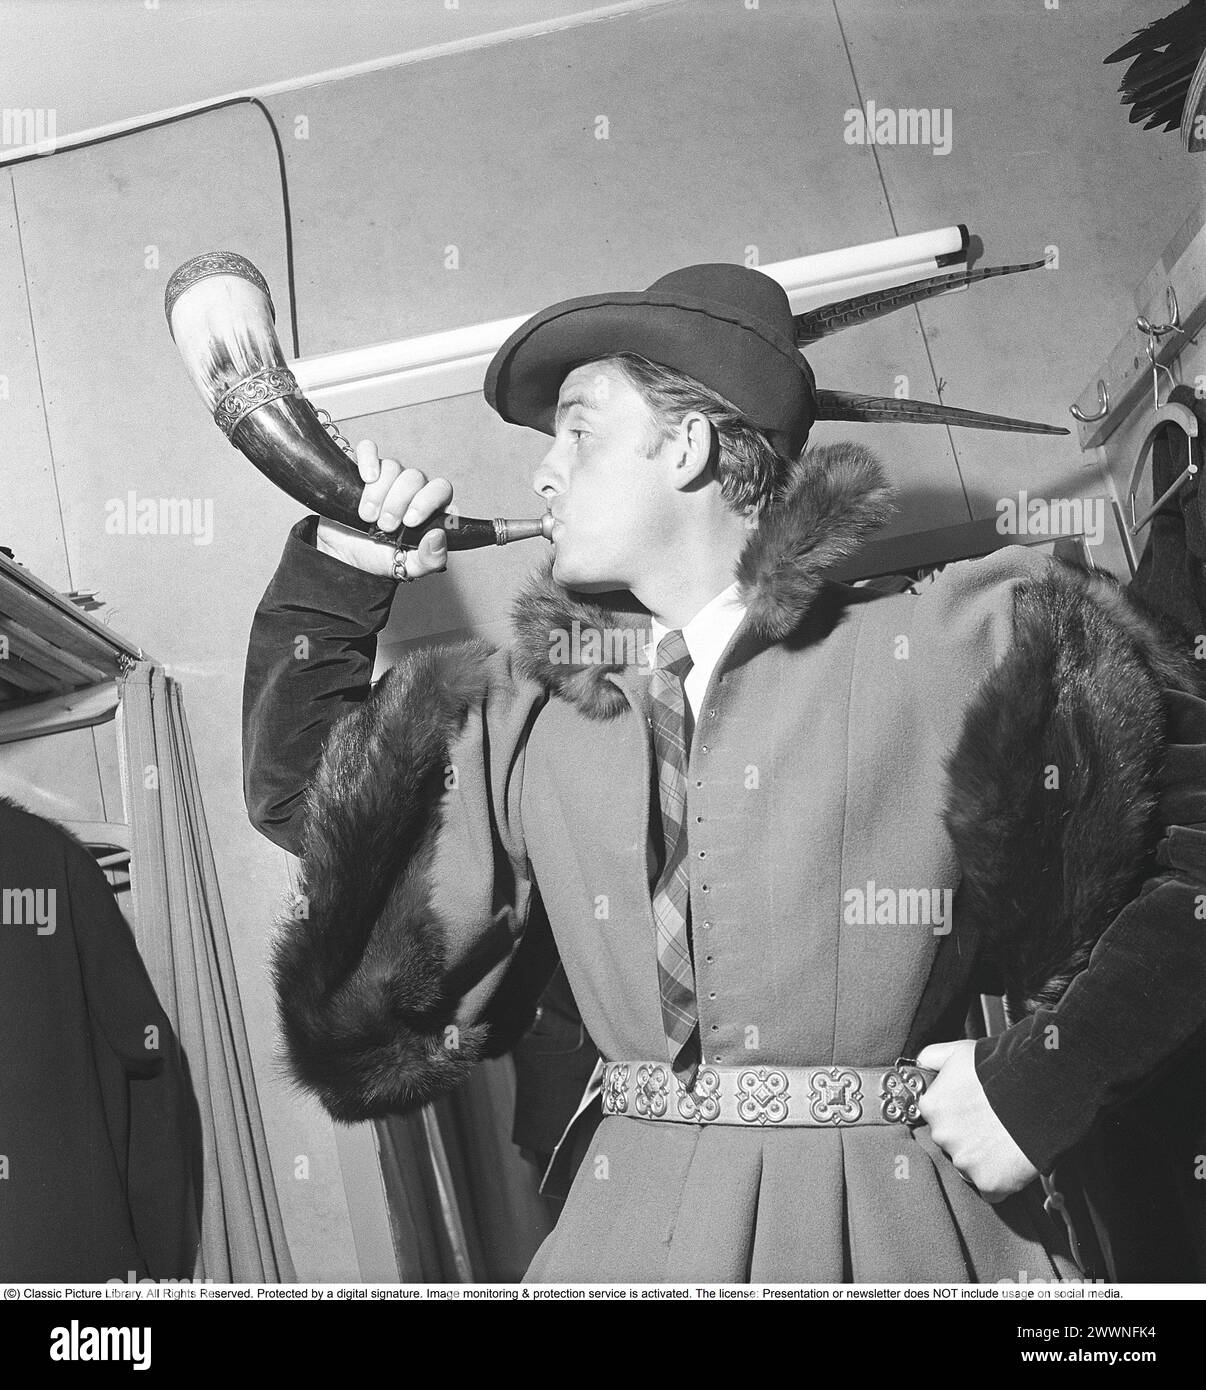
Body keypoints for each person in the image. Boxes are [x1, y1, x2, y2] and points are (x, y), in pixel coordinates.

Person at [243, 263, 1206, 1282]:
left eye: (579, 429)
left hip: (883, 1229)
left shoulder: (957, 639)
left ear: (692, 445)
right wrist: (343, 569)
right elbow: (318, 803)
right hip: (624, 1231)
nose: (544, 472)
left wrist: (1048, 1078)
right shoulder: (540, 713)